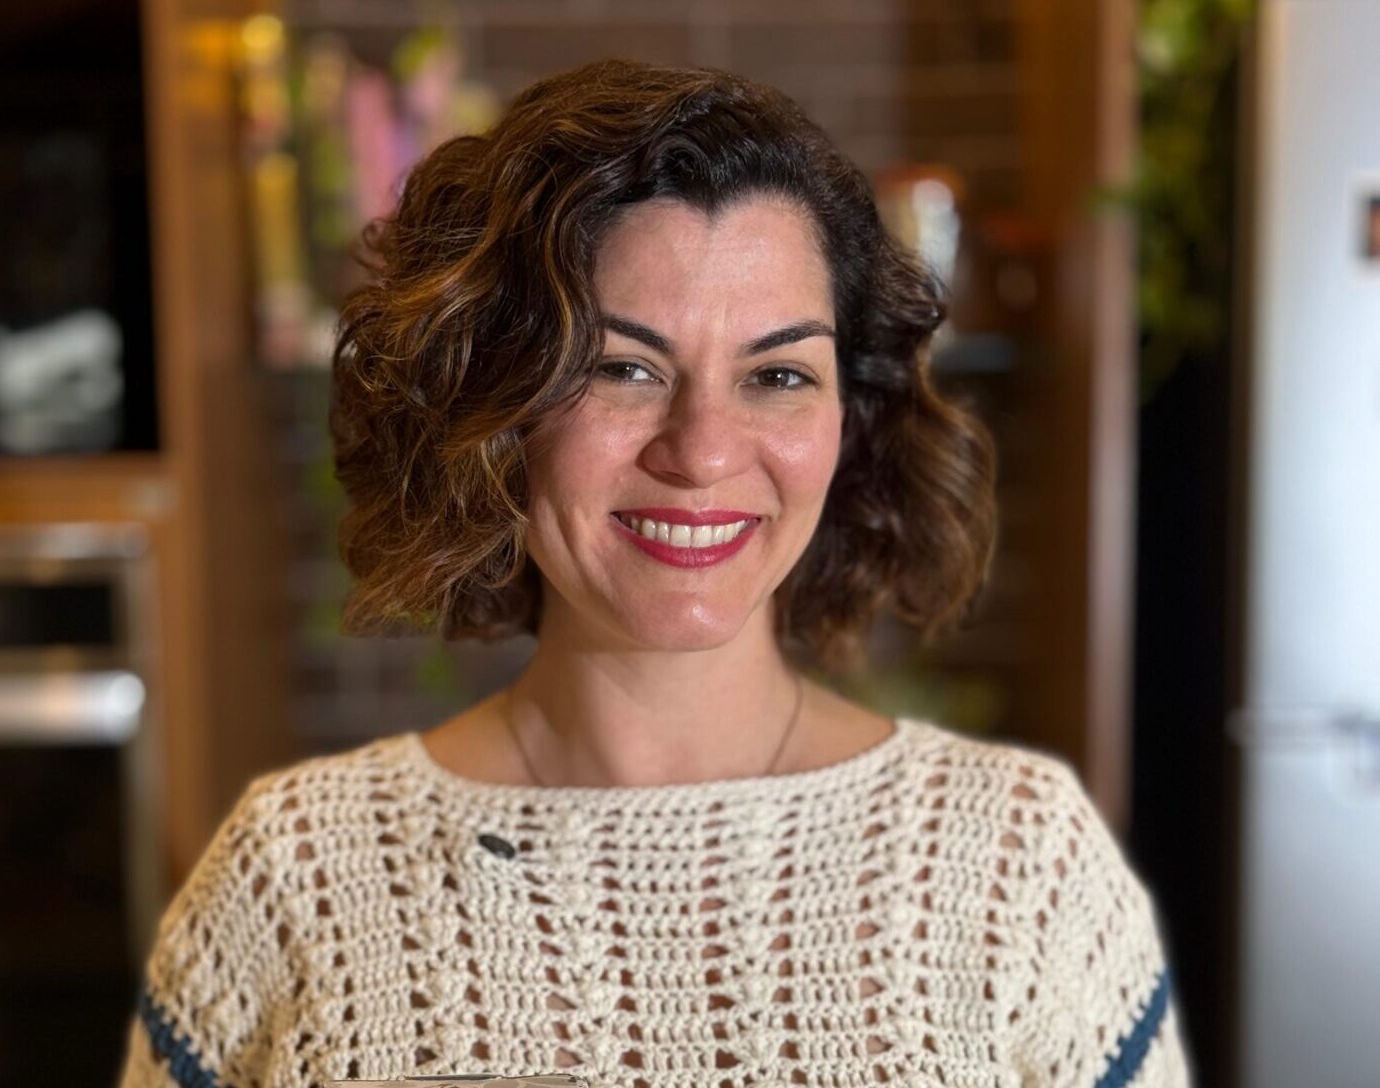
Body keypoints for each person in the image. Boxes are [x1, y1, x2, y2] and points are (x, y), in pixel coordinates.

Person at [120, 59, 1192, 1088]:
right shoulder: (293, 876)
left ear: (850, 422)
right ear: (493, 409)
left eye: (778, 374)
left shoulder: (1021, 860)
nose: (703, 451)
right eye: (623, 367)